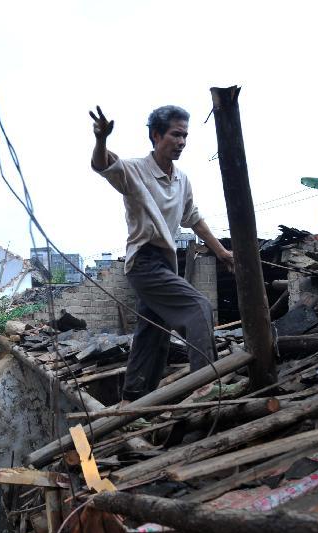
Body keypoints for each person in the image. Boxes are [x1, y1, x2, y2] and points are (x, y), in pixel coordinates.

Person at [90, 104, 234, 401]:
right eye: (175, 135)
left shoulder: (182, 180)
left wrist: (223, 253)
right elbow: (102, 164)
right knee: (198, 308)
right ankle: (205, 385)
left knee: (152, 335)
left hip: (166, 266)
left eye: (185, 136)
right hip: (144, 262)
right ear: (156, 135)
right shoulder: (135, 171)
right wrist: (102, 139)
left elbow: (193, 219)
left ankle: (133, 401)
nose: (181, 142)